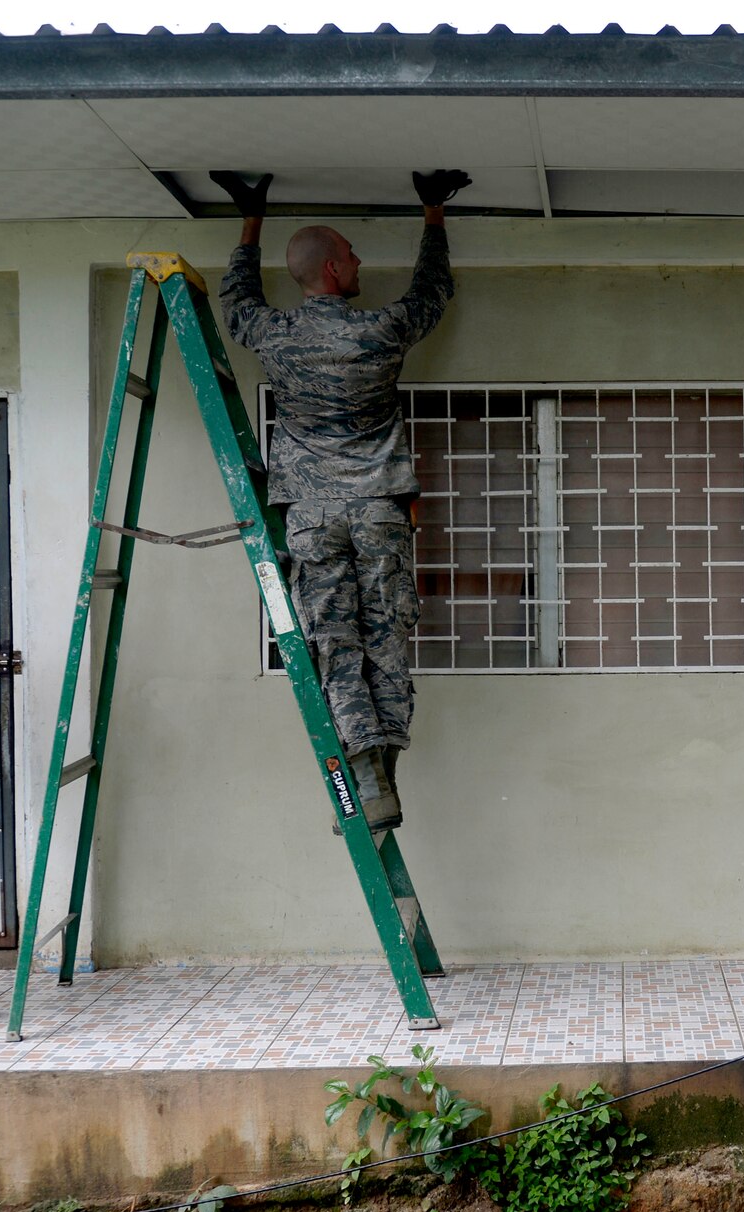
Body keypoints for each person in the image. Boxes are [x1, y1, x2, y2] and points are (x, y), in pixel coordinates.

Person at [212, 168, 468, 830]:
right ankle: (383, 779)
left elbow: (234, 301)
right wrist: (433, 212)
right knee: (385, 637)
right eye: (351, 254)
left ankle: (367, 773)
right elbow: (432, 295)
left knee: (334, 641)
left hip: (311, 516)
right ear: (331, 269)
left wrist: (250, 221)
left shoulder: (273, 334)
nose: (358, 262)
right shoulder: (378, 330)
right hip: (379, 508)